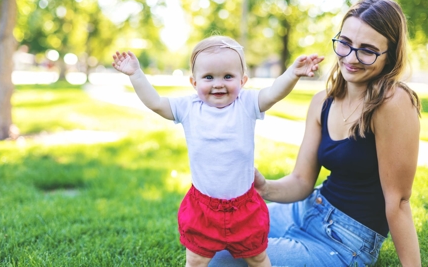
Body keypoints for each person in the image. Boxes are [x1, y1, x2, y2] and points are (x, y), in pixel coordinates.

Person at [208, 0, 422, 267]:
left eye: (367, 50)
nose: (351, 58)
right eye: (345, 43)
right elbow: (301, 180)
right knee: (213, 237)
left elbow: (399, 201)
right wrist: (264, 187)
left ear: (390, 54)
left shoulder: (393, 102)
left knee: (226, 261)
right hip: (306, 208)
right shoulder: (323, 102)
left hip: (345, 240)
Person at [112, 35, 323, 267]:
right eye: (209, 77)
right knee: (196, 260)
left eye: (228, 76)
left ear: (243, 81)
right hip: (203, 208)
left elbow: (273, 92)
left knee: (257, 256)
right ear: (194, 82)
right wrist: (136, 75)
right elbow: (156, 103)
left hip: (244, 208)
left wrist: (292, 73)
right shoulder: (188, 107)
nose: (218, 84)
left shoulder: (246, 103)